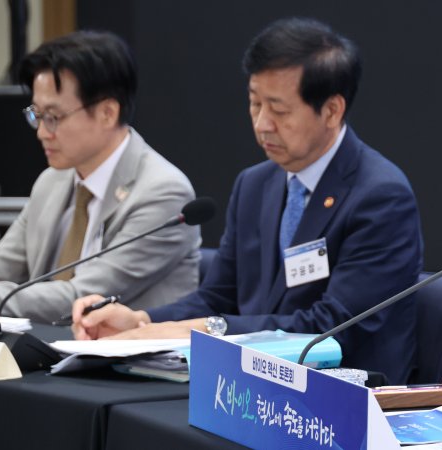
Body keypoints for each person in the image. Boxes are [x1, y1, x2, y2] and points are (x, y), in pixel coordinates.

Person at [71, 18, 423, 384]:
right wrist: (142, 321)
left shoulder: (380, 196)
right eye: (255, 103)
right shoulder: (255, 185)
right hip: (253, 383)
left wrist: (208, 329)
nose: (262, 123)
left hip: (343, 390)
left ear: (332, 110)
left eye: (279, 110)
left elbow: (331, 326)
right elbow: (216, 297)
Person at [0, 31, 200, 323]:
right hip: (44, 346)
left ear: (107, 113)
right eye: (36, 115)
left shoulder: (164, 193)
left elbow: (81, 297)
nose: (41, 132)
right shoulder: (51, 182)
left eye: (53, 117)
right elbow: (2, 267)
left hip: (123, 351)